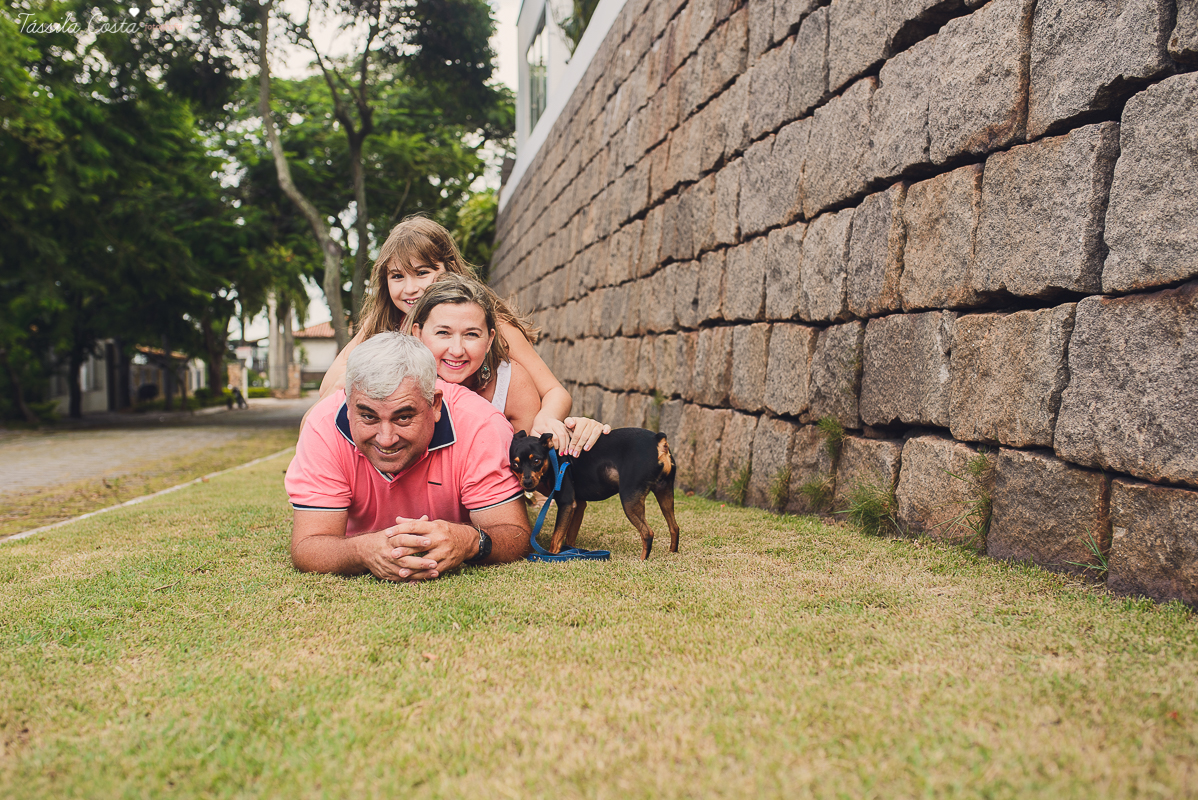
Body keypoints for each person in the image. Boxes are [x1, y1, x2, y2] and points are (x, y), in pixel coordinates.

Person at [317, 216, 601, 457]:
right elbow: (330, 384)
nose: (410, 288)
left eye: (422, 272)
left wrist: (546, 419)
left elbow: (554, 391)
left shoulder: (488, 321)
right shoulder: (385, 321)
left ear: (449, 267)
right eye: (397, 276)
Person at [286, 332, 531, 581]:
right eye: (369, 416)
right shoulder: (323, 425)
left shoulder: (480, 424)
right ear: (348, 404)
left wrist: (468, 541)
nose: (386, 438)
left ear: (435, 405)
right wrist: (362, 550)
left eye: (403, 417)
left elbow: (515, 534)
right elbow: (307, 545)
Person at [404, 273, 610, 446]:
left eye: (472, 335)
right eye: (443, 333)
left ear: (490, 339)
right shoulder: (398, 383)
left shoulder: (513, 385)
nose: (457, 350)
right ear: (418, 334)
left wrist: (576, 433)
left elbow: (539, 479)